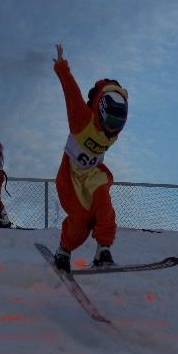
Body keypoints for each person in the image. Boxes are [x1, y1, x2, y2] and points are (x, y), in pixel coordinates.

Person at [51, 43, 128, 271]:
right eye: (110, 123)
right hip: (71, 177)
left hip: (93, 174)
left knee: (104, 205)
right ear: (100, 111)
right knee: (81, 221)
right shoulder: (82, 120)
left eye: (118, 124)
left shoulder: (114, 129)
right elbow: (71, 92)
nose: (112, 130)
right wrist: (61, 66)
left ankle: (103, 250)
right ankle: (64, 249)